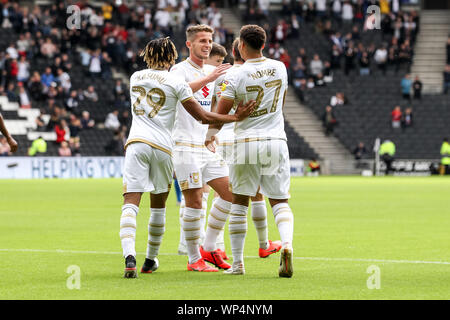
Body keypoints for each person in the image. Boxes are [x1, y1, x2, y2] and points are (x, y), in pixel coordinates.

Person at [119, 37, 255, 278]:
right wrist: (236, 117)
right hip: (163, 148)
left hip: (136, 144)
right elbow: (202, 116)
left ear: (148, 56)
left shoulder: (135, 78)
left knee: (131, 203)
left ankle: (130, 257)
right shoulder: (177, 80)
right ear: (172, 57)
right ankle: (150, 259)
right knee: (158, 209)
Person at [206, 25, 294, 277]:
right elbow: (282, 102)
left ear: (241, 46)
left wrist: (210, 136)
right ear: (263, 44)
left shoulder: (236, 74)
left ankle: (238, 265)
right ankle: (286, 245)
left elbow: (221, 113)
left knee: (240, 202)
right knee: (280, 201)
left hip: (245, 142)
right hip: (275, 140)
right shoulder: (280, 67)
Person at [169, 25, 238, 273]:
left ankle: (208, 247)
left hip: (205, 145)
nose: (207, 45)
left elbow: (221, 100)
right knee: (195, 201)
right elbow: (182, 94)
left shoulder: (212, 70)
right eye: (201, 41)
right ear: (189, 45)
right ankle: (192, 258)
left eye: (209, 41)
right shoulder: (178, 70)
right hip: (184, 145)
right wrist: (210, 78)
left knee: (231, 193)